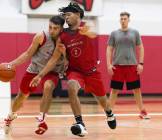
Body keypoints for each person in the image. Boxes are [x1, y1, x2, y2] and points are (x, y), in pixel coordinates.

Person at [30, 2, 116, 137]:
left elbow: (93, 34)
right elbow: (53, 59)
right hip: (75, 71)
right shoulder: (62, 36)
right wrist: (40, 75)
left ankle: (109, 113)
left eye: (69, 14)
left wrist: (88, 32)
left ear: (77, 15)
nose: (66, 18)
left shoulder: (85, 29)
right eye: (65, 15)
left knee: (103, 101)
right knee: (71, 86)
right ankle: (80, 122)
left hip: (92, 72)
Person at [3, 15, 65, 135]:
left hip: (52, 70)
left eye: (55, 28)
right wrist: (11, 64)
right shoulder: (40, 36)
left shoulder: (63, 40)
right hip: (35, 68)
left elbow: (53, 60)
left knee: (48, 87)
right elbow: (27, 54)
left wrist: (41, 76)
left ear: (61, 29)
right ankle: (10, 117)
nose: (52, 30)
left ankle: (42, 120)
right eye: (50, 27)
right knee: (21, 95)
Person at [106, 12, 150, 119]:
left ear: (128, 20)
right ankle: (109, 114)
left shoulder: (135, 33)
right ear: (119, 20)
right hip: (118, 66)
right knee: (114, 90)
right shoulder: (114, 33)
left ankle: (142, 112)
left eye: (125, 19)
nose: (123, 20)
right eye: (121, 19)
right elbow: (109, 49)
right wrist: (109, 64)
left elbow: (141, 47)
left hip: (132, 66)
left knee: (136, 90)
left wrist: (141, 63)